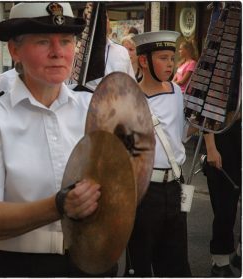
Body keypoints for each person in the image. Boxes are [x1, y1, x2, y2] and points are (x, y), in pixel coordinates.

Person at [0, 2, 116, 277]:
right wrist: (58, 205)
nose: (57, 53)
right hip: (21, 266)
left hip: (92, 262)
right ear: (15, 50)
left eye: (66, 41)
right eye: (43, 41)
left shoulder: (93, 109)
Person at [125, 31, 192, 276]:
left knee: (177, 264)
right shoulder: (128, 97)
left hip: (175, 186)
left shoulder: (177, 92)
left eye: (171, 58)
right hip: (143, 191)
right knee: (140, 265)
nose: (170, 64)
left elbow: (179, 135)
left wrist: (202, 123)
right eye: (163, 58)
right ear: (144, 61)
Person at [204, 124, 241, 276]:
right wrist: (211, 147)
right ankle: (220, 262)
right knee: (225, 206)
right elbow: (209, 112)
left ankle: (240, 254)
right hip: (226, 141)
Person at [85, 12, 135, 90]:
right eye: (97, 18)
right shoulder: (78, 53)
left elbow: (132, 86)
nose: (103, 21)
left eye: (105, 18)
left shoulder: (122, 51)